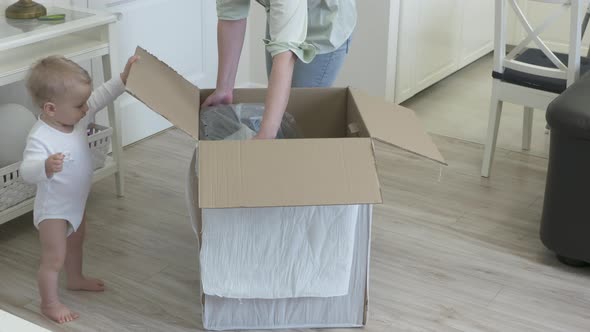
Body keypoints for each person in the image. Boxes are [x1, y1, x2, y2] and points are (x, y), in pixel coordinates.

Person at [20, 54, 138, 324]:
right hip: (54, 210)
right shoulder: (40, 137)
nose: (86, 109)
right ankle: (49, 303)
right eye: (79, 105)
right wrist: (45, 167)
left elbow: (100, 96)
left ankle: (75, 279)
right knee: (54, 257)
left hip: (76, 203)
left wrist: (123, 78)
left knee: (77, 243)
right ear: (51, 109)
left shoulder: (76, 119)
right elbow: (27, 171)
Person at [202, 0, 357, 139]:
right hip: (286, 13)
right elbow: (231, 15)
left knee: (297, 118)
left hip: (322, 24)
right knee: (279, 115)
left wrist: (266, 135)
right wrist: (224, 89)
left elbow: (285, 57)